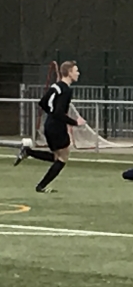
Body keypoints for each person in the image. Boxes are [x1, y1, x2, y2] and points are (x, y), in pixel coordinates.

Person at [14, 60, 85, 193]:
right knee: (62, 158)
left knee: (57, 157)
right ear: (69, 73)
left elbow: (43, 103)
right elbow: (58, 112)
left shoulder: (56, 86)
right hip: (57, 127)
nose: (78, 73)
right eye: (76, 71)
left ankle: (28, 152)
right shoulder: (66, 90)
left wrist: (52, 115)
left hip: (50, 125)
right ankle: (41, 186)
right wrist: (75, 122)